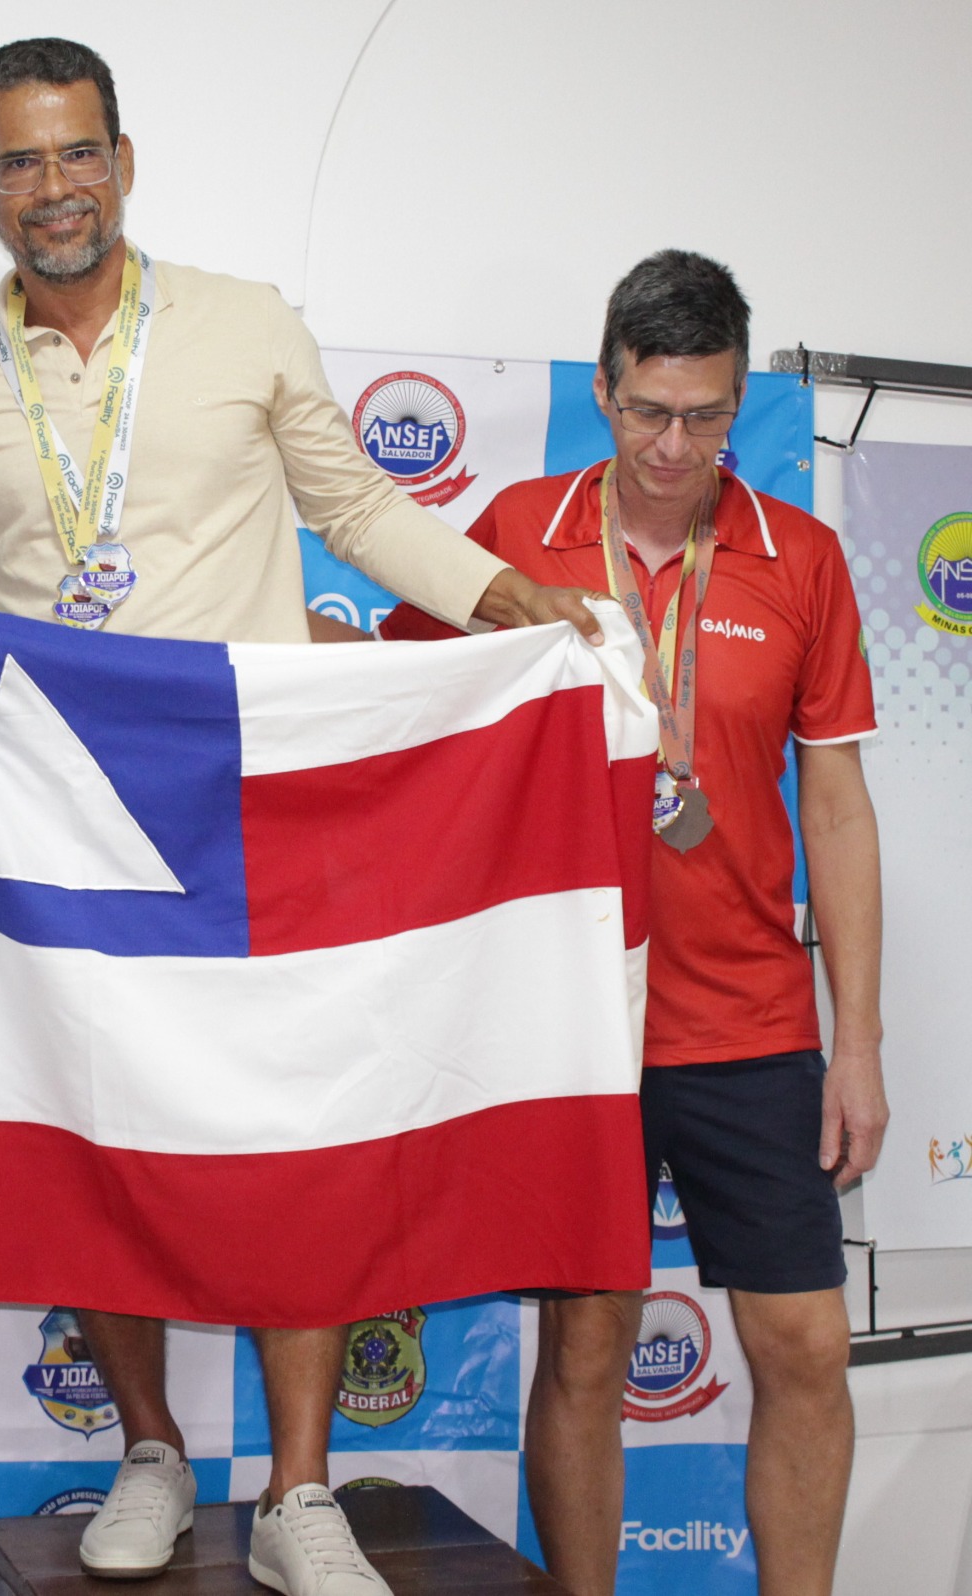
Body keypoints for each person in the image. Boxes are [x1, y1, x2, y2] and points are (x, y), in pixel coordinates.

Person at [0, 35, 607, 1596]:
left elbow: (356, 506)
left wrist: (504, 592)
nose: (56, 189)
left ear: (125, 158)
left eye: (78, 152)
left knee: (291, 1117)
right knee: (103, 1129)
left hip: (259, 787)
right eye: (22, 163)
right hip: (66, 819)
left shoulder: (246, 323)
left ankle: (301, 1492)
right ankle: (154, 1450)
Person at [381, 249, 887, 1596]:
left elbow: (835, 807)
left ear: (738, 406)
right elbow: (395, 719)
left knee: (805, 1350)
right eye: (650, 411)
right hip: (572, 1021)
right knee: (589, 1348)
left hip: (750, 1020)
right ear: (602, 391)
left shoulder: (804, 560)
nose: (676, 447)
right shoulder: (514, 530)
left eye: (709, 416)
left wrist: (861, 1045)